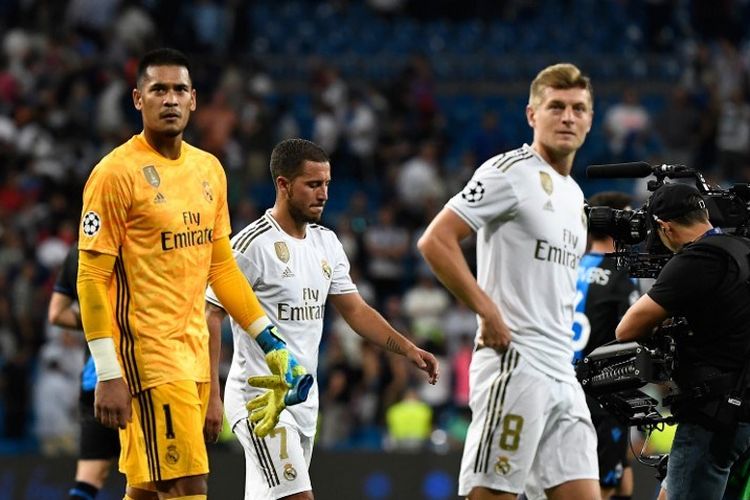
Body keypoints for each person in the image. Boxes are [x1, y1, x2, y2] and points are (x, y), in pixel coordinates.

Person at [76, 48, 310, 500]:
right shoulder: (114, 174)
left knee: (147, 486)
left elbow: (221, 268)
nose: (170, 99)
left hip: (193, 354)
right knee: (188, 484)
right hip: (148, 355)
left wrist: (271, 342)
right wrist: (107, 371)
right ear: (137, 99)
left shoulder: (209, 170)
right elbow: (90, 278)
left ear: (194, 100)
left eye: (179, 89)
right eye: (158, 89)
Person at [205, 138, 439, 500]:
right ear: (283, 185)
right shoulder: (251, 245)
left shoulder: (326, 243)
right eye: (313, 184)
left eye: (327, 184)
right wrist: (211, 395)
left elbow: (356, 311)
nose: (324, 193)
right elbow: (210, 315)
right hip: (261, 400)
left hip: (304, 402)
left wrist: (407, 349)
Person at [417, 63, 599, 500]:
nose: (568, 117)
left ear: (590, 120)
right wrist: (487, 309)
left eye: (578, 108)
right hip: (516, 362)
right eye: (556, 106)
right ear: (532, 114)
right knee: (491, 494)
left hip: (562, 368)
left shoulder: (575, 195)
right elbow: (436, 241)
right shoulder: (510, 171)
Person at [616, 182, 750, 499]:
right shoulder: (742, 247)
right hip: (742, 409)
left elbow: (627, 328)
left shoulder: (698, 259)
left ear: (664, 226)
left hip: (713, 414)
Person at [573, 192, 641, 499]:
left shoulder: (566, 266)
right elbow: (632, 335)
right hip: (600, 395)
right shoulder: (620, 274)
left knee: (622, 475)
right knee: (602, 487)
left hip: (559, 388)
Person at [49, 241, 121, 500]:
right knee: (150, 476)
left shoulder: (77, 251)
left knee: (89, 479)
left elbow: (56, 314)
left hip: (94, 380)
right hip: (137, 378)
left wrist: (96, 323)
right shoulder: (141, 241)